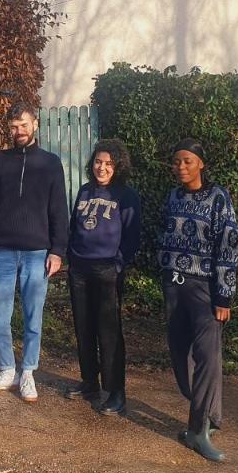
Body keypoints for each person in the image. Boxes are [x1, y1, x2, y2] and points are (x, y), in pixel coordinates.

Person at [0, 102, 69, 402]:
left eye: (24, 125)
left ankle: (28, 372)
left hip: (37, 253)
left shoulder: (51, 163)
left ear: (35, 124)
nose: (19, 131)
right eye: (14, 126)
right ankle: (6, 369)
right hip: (1, 251)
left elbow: (59, 210)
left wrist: (57, 250)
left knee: (33, 317)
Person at [157, 139, 238, 462]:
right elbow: (164, 232)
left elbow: (228, 247)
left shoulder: (218, 199)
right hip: (174, 286)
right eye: (177, 161)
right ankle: (210, 413)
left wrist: (224, 295)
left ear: (201, 164)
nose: (181, 167)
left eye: (188, 161)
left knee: (207, 355)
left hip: (205, 289)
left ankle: (199, 430)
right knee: (179, 354)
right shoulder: (173, 196)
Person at [65, 139, 142, 415]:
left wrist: (118, 264)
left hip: (108, 270)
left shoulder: (126, 195)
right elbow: (75, 224)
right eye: (98, 162)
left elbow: (132, 235)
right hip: (80, 269)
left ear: (118, 166)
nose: (102, 167)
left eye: (109, 163)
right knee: (83, 327)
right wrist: (71, 257)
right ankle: (90, 381)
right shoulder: (85, 191)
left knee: (108, 332)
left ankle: (115, 391)